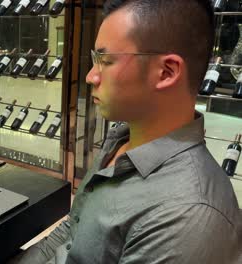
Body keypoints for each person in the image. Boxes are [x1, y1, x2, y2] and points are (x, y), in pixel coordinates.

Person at [15, 0, 242, 263]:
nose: (90, 76)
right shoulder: (122, 140)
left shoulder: (186, 217)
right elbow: (71, 230)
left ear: (166, 72)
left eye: (106, 60)